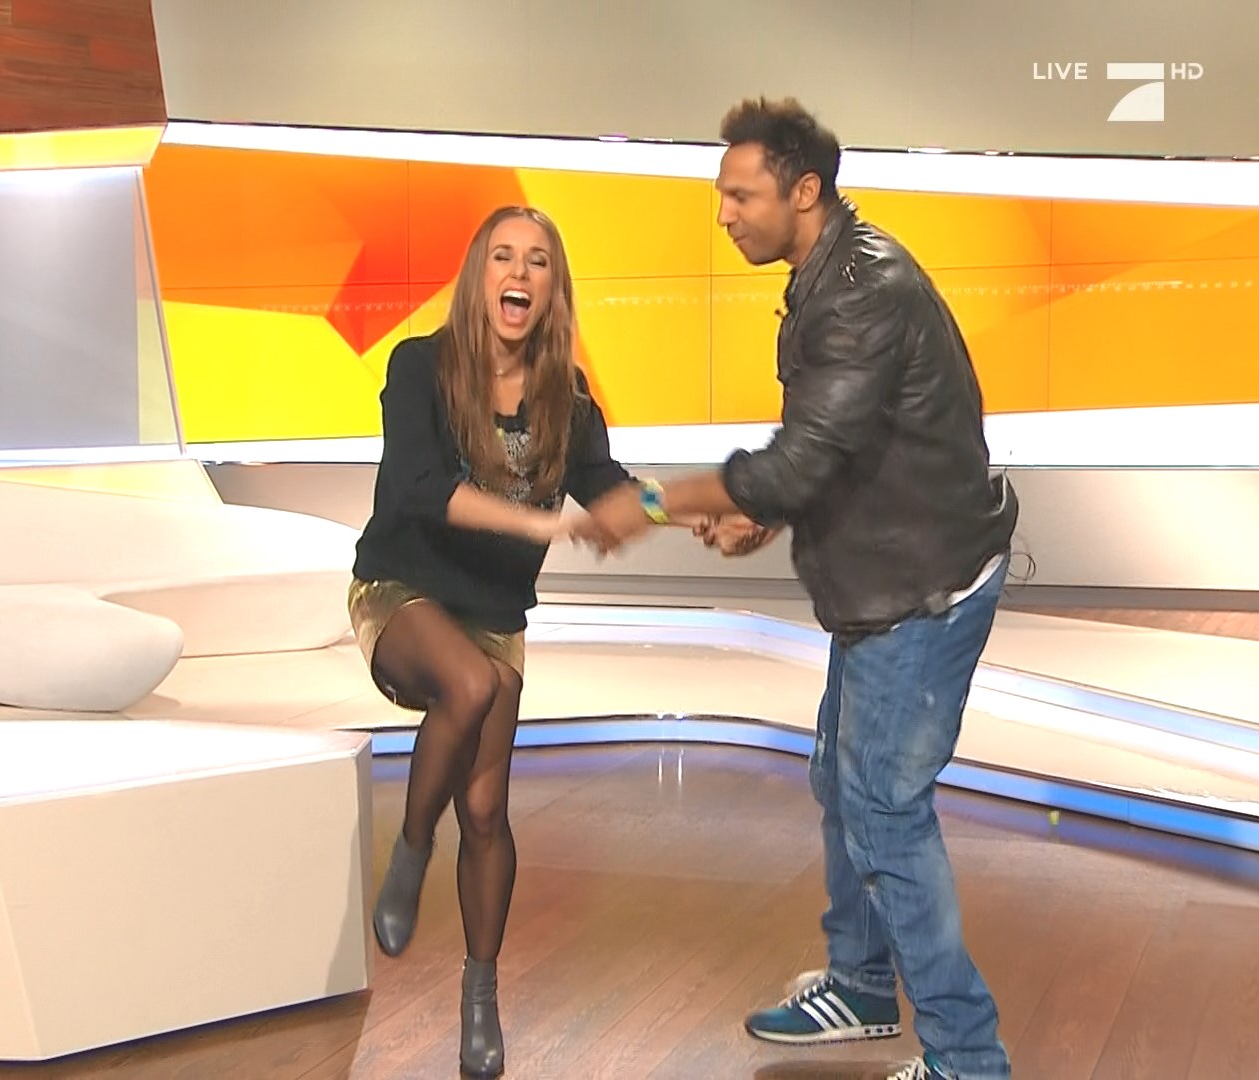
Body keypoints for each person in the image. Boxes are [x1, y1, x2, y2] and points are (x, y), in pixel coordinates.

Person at [589, 97, 1019, 1080]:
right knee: (842, 782)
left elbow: (801, 460)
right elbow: (834, 449)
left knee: (885, 811)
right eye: (722, 196)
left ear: (805, 190)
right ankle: (862, 985)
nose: (725, 214)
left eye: (741, 196)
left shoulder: (864, 291)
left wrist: (650, 503)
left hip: (923, 592)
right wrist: (766, 512)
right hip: (880, 586)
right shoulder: (828, 277)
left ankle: (968, 1059)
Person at [349, 205, 655, 1079]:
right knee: (473, 685)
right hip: (401, 593)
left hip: (493, 618)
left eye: (538, 262)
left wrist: (687, 508)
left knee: (486, 811)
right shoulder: (419, 367)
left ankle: (479, 999)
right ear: (479, 277)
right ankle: (411, 848)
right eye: (504, 257)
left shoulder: (569, 399)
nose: (520, 274)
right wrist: (541, 524)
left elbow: (609, 488)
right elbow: (420, 489)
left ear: (551, 290)